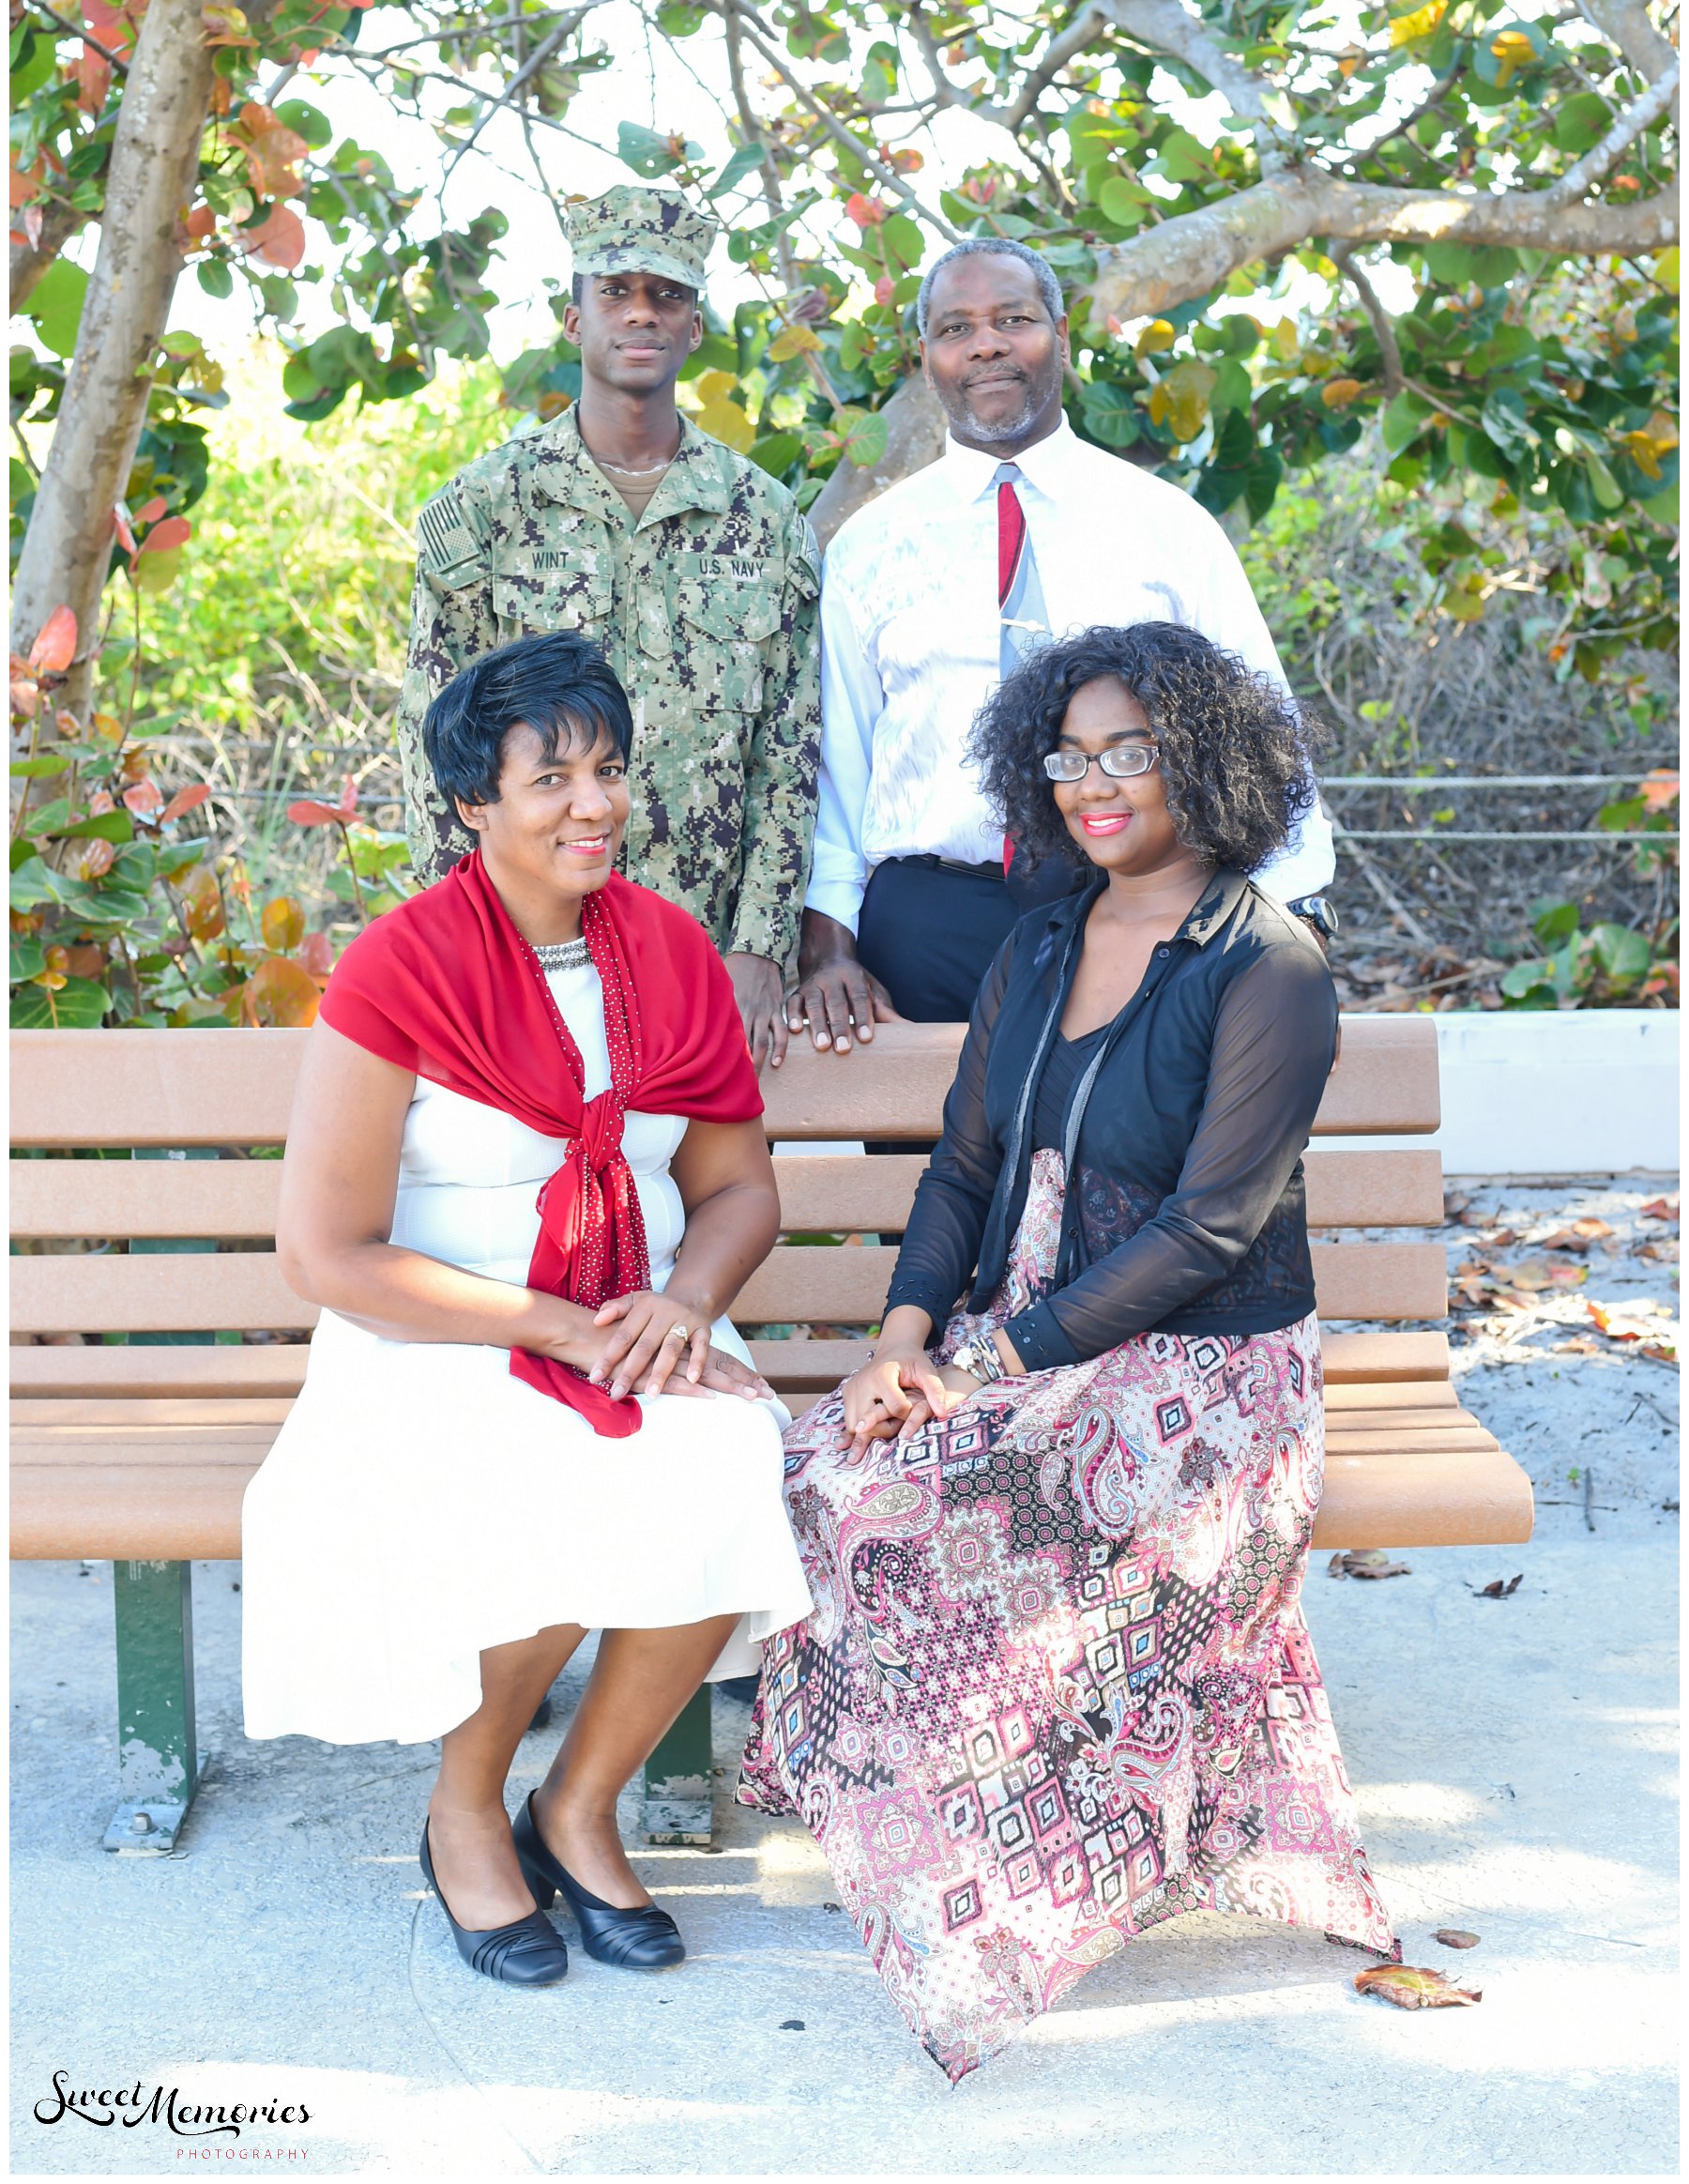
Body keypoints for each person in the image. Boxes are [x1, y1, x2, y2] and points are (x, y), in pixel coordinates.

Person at [739, 622, 1395, 2081]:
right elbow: (963, 1167)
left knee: (909, 1512)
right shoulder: (1038, 939)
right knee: (817, 1463)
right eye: (1071, 754)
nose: (1095, 783)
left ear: (1204, 763)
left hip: (1205, 1372)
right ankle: (959, 1821)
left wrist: (990, 1363)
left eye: (1131, 752)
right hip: (1023, 1338)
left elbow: (1211, 1229)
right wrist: (903, 1338)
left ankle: (995, 1897)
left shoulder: (1269, 967)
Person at [244, 632, 810, 1988]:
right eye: (550, 775)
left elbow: (738, 1189)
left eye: (608, 769)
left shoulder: (670, 953)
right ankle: (464, 1806)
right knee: (535, 1471)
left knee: (732, 1455)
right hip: (441, 1335)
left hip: (644, 1321)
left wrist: (683, 1302)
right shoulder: (402, 967)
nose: (594, 802)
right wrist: (557, 1327)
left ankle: (577, 1801)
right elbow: (324, 1250)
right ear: (471, 804)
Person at [790, 235, 1338, 1052]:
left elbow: (1264, 736)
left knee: (1125, 1166)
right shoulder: (870, 546)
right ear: (928, 355)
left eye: (1013, 318)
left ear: (1061, 336)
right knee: (935, 1177)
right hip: (929, 926)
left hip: (1141, 900)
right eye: (955, 327)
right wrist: (828, 935)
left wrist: (1296, 912)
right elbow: (841, 758)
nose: (986, 343)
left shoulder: (1166, 526)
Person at [397, 184, 820, 1071]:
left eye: (666, 295)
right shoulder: (486, 508)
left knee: (696, 1200)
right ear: (572, 317)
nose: (641, 314)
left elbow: (789, 748)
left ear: (695, 326)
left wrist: (761, 946)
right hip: (525, 945)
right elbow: (432, 743)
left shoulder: (765, 517)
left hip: (701, 952)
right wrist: (467, 940)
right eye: (615, 292)